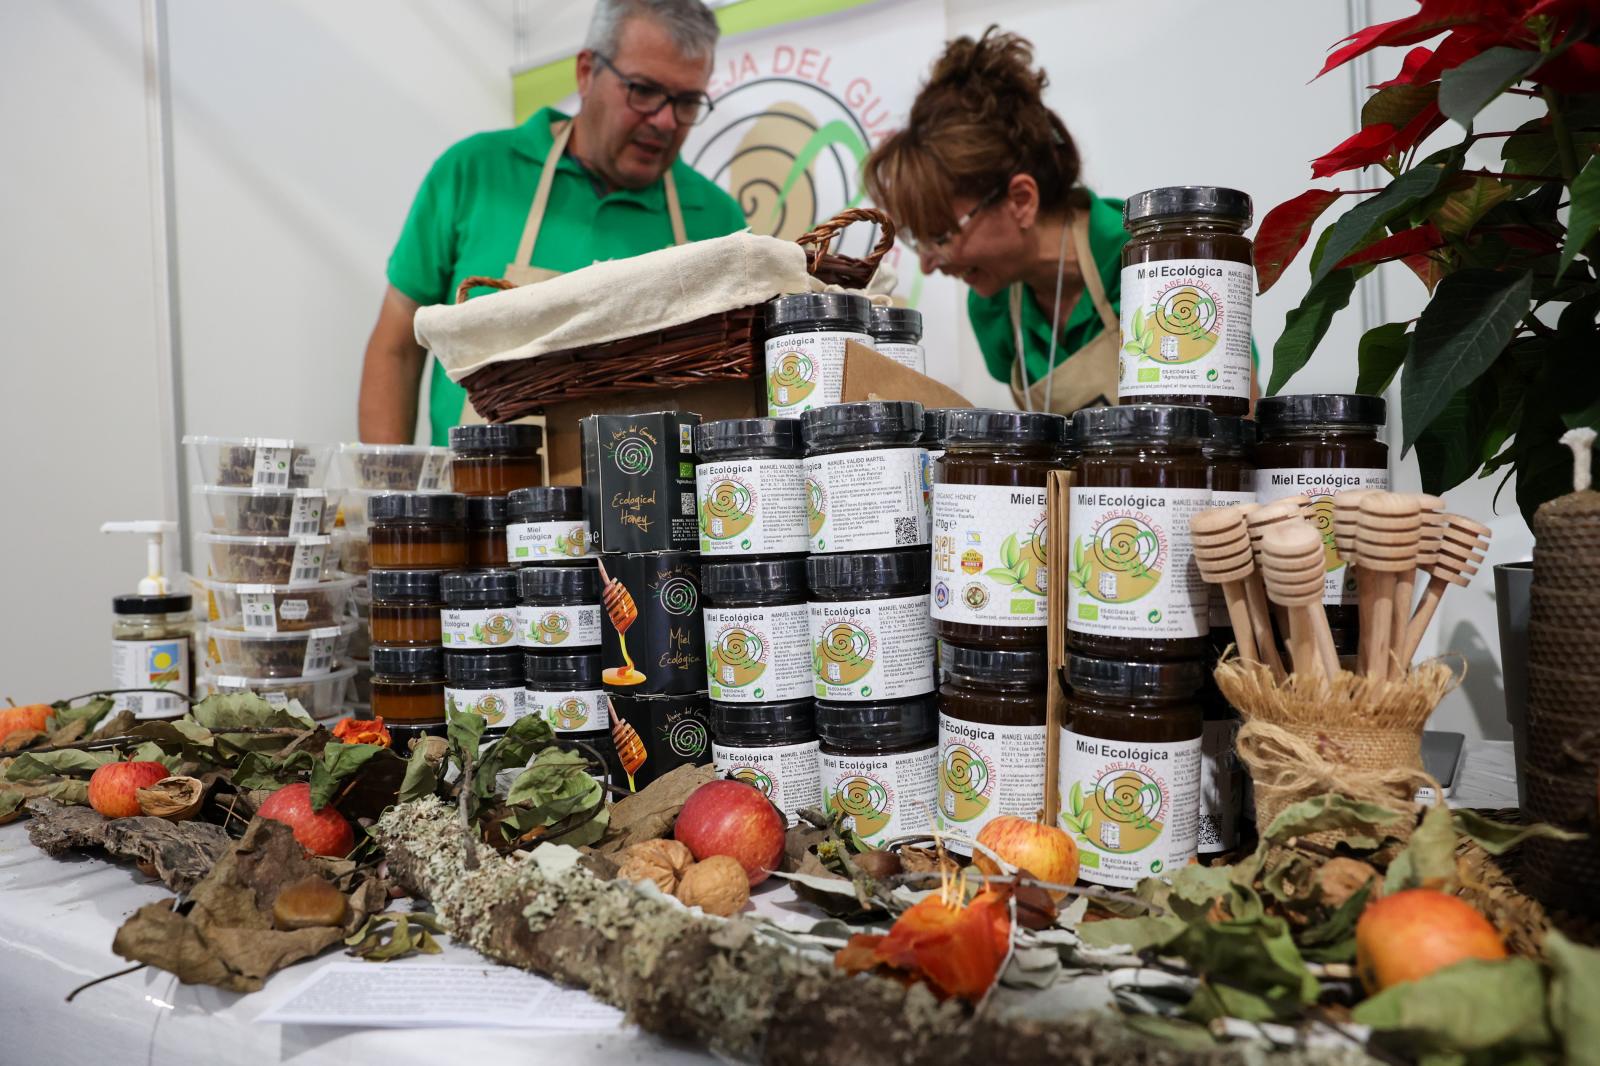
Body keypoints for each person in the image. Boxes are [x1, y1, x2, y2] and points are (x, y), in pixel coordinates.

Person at [359, 0, 747, 445]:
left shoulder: (719, 219)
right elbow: (397, 350)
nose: (663, 120)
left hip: (645, 506)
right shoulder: (477, 174)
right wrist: (388, 490)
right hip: (478, 501)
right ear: (586, 72)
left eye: (686, 101)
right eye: (642, 90)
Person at [863, 30, 1140, 414]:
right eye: (920, 242)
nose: (928, 264)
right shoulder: (992, 308)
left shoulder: (1144, 262)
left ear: (1021, 200)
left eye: (941, 236)